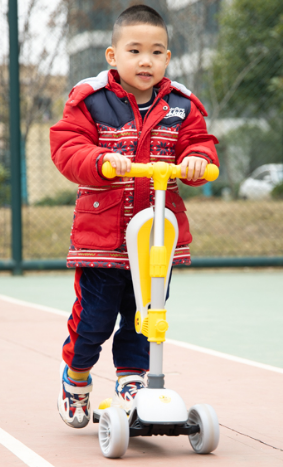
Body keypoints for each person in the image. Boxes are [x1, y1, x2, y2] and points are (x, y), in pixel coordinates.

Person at [49, 4, 219, 429]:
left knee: (148, 316)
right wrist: (100, 160)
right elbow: (67, 147)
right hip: (102, 239)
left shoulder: (181, 105)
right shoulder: (91, 100)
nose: (147, 61)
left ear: (167, 57)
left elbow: (201, 142)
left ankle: (131, 380)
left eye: (157, 52)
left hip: (155, 239)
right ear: (113, 56)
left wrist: (197, 159)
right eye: (136, 50)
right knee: (94, 321)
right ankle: (77, 376)